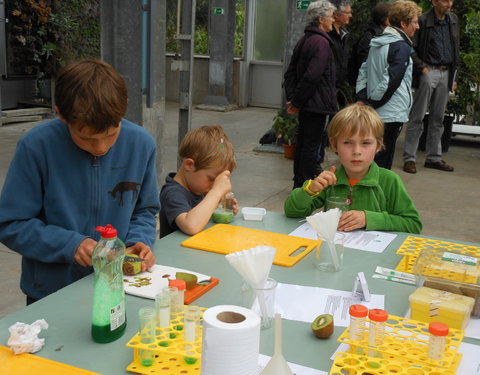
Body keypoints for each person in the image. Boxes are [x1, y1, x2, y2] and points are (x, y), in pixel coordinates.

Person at [0, 59, 160, 304]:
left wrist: (138, 241)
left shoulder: (141, 144)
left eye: (111, 135)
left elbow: (145, 209)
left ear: (124, 108)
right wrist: (70, 245)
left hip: (118, 284)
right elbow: (11, 223)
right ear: (61, 115)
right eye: (86, 138)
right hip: (50, 292)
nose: (101, 148)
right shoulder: (36, 147)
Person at [284, 104, 422, 234]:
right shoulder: (330, 180)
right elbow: (292, 211)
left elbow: (413, 224)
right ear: (334, 144)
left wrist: (369, 219)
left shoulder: (389, 181)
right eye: (348, 143)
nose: (356, 151)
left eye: (366, 143)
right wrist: (309, 190)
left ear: (378, 145)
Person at [356, 0, 422, 170]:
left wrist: (363, 98)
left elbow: (364, 71)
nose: (417, 27)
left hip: (378, 110)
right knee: (382, 164)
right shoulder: (401, 47)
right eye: (414, 22)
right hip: (391, 113)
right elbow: (392, 80)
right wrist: (372, 102)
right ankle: (377, 196)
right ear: (403, 23)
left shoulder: (378, 41)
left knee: (374, 159)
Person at [283, 0, 337, 189]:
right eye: (331, 16)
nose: (333, 20)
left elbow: (290, 73)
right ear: (321, 19)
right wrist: (296, 101)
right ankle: (304, 186)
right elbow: (311, 76)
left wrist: (294, 99)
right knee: (311, 148)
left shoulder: (305, 39)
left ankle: (299, 184)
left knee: (304, 145)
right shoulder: (321, 42)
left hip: (309, 104)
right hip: (316, 105)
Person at [402, 0, 459, 174]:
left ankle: (434, 158)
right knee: (418, 116)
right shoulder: (423, 20)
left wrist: (454, 76)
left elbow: (456, 48)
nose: (449, 3)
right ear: (434, 2)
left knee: (438, 118)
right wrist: (422, 68)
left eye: (451, 0)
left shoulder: (453, 19)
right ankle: (409, 158)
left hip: (446, 71)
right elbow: (410, 47)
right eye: (444, 0)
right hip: (428, 70)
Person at [159, 125, 238, 238]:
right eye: (212, 179)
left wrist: (221, 207)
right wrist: (216, 192)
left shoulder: (198, 188)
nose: (213, 186)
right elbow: (191, 225)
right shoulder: (172, 193)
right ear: (189, 165)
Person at [349, 2, 391, 85]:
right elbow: (366, 66)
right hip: (371, 87)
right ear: (387, 20)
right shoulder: (370, 37)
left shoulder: (385, 35)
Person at [329, 0, 353, 108]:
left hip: (338, 87)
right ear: (336, 15)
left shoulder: (344, 34)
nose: (350, 15)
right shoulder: (327, 34)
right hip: (326, 88)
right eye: (347, 13)